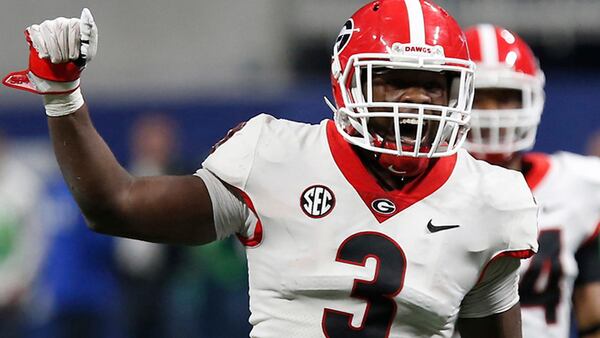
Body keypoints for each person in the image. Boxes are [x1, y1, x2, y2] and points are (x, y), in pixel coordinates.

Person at [3, 1, 539, 337]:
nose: (415, 100)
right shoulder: (273, 154)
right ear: (348, 82)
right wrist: (61, 93)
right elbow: (115, 206)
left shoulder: (491, 200)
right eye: (394, 79)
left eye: (433, 85)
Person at [464, 24, 600, 338]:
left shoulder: (577, 186)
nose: (492, 113)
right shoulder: (429, 189)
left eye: (504, 98)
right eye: (478, 98)